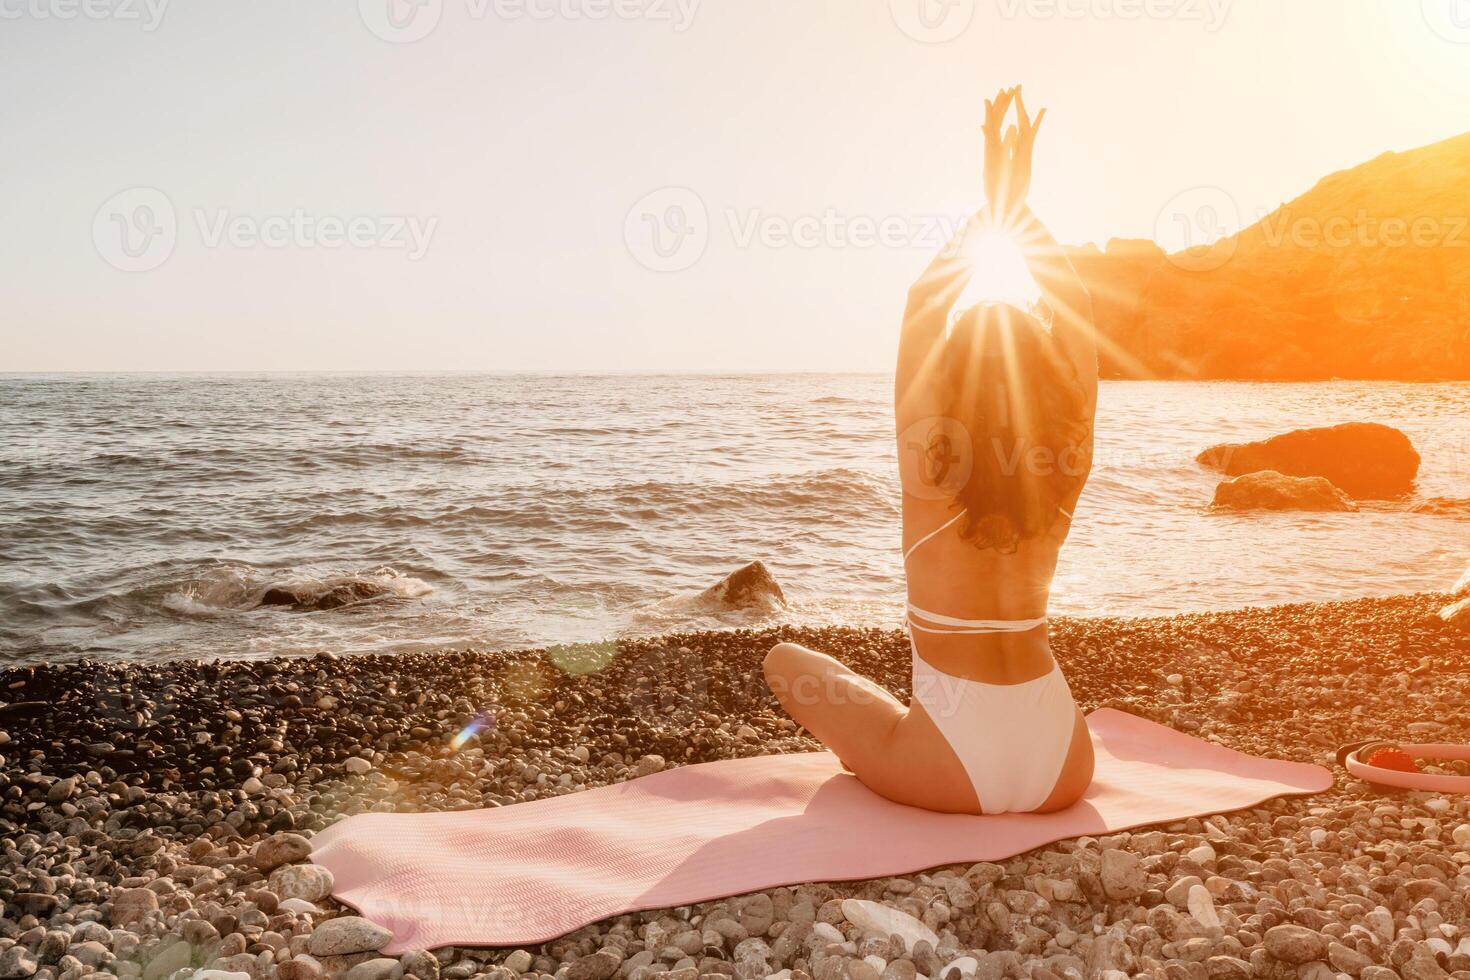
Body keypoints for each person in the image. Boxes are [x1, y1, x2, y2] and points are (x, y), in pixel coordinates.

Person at [763, 87, 1098, 814]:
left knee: (784, 661)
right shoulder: (1066, 466)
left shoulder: (932, 467)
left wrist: (989, 209)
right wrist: (1017, 208)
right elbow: (1080, 316)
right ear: (1045, 381)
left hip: (953, 767)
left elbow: (923, 303)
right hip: (1064, 763)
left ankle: (893, 741)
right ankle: (903, 732)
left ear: (952, 373)